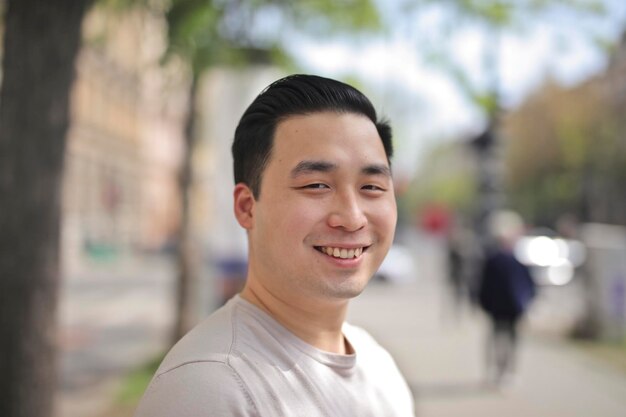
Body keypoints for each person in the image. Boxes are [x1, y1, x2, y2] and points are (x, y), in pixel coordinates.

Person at [134, 74, 415, 417]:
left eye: (371, 187)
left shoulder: (378, 365)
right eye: (316, 185)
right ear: (247, 206)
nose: (352, 218)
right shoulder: (208, 388)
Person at [478, 210, 536, 387]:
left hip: (512, 308)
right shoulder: (494, 260)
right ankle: (499, 371)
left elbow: (529, 284)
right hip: (500, 308)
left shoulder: (518, 259)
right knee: (498, 341)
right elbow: (484, 284)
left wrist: (526, 301)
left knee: (511, 341)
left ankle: (507, 371)